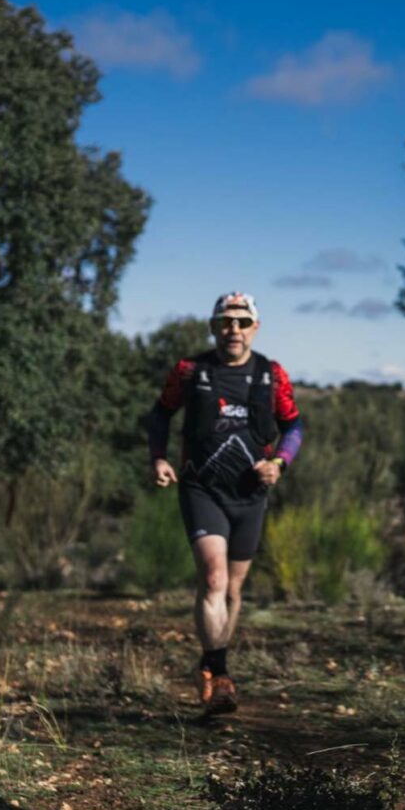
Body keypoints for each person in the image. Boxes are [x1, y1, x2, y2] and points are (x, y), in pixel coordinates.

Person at [147, 292, 303, 715]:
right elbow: (160, 414)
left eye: (241, 321)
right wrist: (159, 457)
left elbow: (294, 426)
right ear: (214, 327)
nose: (233, 329)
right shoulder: (189, 371)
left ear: (255, 326)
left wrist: (280, 464)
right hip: (201, 489)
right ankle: (222, 673)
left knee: (233, 589)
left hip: (250, 494)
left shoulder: (272, 375)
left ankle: (212, 664)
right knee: (213, 579)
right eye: (224, 322)